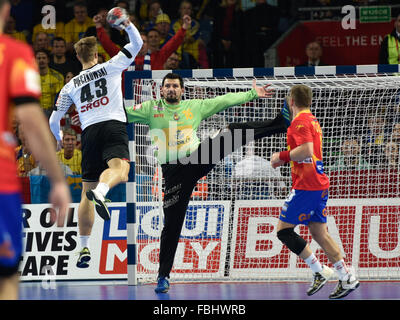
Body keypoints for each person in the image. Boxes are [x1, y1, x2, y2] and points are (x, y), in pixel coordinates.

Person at [125, 72, 291, 293]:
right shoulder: (151, 109)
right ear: (162, 90)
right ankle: (163, 277)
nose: (172, 89)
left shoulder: (194, 106)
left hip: (197, 159)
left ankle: (280, 124)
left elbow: (222, 101)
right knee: (172, 225)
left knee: (231, 132)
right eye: (168, 86)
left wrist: (252, 93)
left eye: (175, 85)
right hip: (173, 173)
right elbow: (122, 114)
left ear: (182, 90)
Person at [49, 13, 143, 268]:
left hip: (88, 133)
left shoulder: (70, 86)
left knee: (84, 194)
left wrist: (58, 140)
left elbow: (53, 120)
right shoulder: (110, 66)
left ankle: (84, 249)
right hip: (112, 125)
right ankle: (102, 192)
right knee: (121, 170)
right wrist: (126, 24)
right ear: (97, 55)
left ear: (78, 57)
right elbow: (137, 45)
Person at [0, 0, 71, 300]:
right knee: (7, 278)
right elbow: (30, 120)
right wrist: (57, 181)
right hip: (1, 183)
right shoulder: (14, 54)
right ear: (6, 9)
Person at [270, 84, 359, 299]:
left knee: (283, 231)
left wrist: (280, 158)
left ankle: (319, 271)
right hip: (317, 183)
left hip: (307, 185)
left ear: (291, 101)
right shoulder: (313, 120)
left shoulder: (299, 122)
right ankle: (347, 276)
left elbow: (306, 150)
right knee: (320, 234)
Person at [97, 13, 191, 70]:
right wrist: (98, 26)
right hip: (128, 101)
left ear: (148, 45)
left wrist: (184, 27)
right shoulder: (123, 57)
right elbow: (108, 45)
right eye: (138, 42)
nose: (140, 44)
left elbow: (173, 43)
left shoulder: (158, 57)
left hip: (151, 101)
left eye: (144, 42)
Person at [35, 49, 64, 118]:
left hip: (52, 112)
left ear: (48, 60)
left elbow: (60, 99)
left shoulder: (58, 77)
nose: (41, 60)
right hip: (35, 111)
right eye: (39, 58)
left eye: (44, 58)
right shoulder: (30, 77)